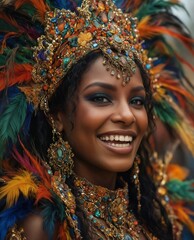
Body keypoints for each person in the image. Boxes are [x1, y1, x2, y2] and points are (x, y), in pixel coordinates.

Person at [0, 0, 194, 239]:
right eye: (101, 98)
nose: (126, 115)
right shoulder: (43, 228)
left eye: (137, 101)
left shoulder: (157, 217)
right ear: (56, 115)